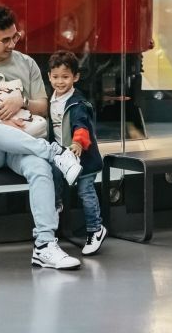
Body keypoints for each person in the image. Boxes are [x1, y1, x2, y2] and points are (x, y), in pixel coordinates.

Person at [0, 5, 84, 270]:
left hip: (19, 144)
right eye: (5, 40)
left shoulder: (26, 63)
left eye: (16, 36)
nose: (13, 43)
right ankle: (55, 152)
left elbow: (43, 106)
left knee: (40, 169)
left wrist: (20, 101)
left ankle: (45, 245)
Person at [47, 51, 107, 255]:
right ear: (49, 76)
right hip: (62, 157)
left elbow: (82, 126)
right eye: (55, 77)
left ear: (75, 77)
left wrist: (78, 143)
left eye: (65, 77)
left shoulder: (78, 103)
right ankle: (57, 208)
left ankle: (95, 229)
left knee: (85, 193)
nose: (60, 81)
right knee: (53, 178)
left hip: (84, 160)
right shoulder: (50, 100)